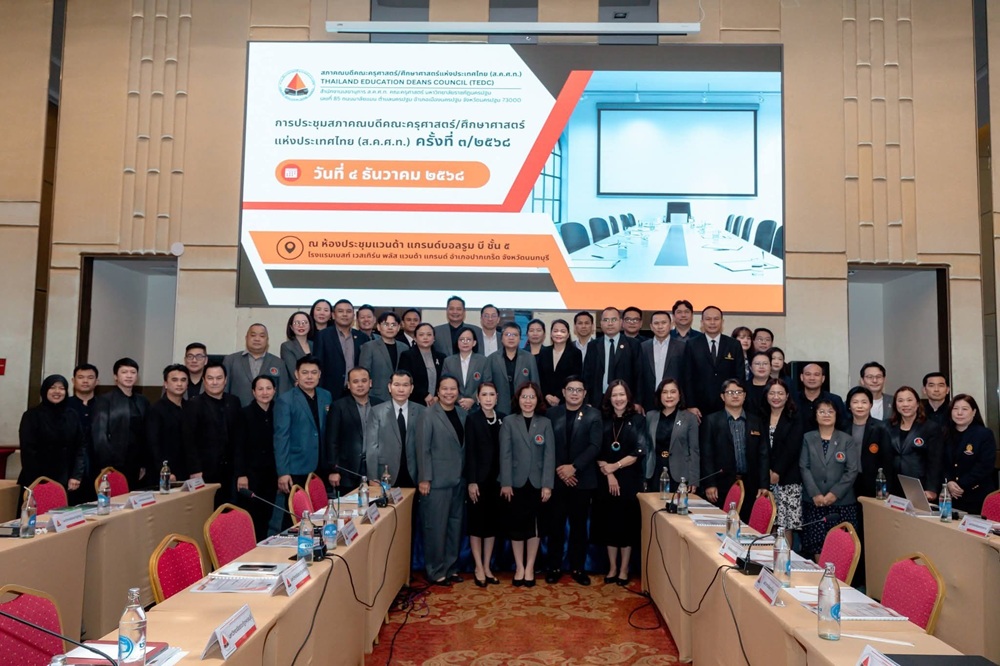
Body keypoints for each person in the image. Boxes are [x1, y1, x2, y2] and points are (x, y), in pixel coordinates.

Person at [543, 376, 601, 585]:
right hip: (557, 479)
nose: (574, 393)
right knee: (555, 525)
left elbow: (595, 446)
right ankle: (554, 567)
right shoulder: (551, 414)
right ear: (563, 392)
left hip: (582, 480)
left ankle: (578, 568)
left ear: (585, 393)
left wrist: (574, 468)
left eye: (579, 390)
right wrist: (561, 470)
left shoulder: (594, 415)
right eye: (570, 389)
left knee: (579, 527)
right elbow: (548, 445)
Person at [592, 380, 648, 586]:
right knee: (609, 524)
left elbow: (639, 451)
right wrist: (609, 473)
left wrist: (615, 467)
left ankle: (624, 569)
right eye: (614, 395)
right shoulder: (601, 418)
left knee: (627, 526)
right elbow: (595, 449)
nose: (618, 399)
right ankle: (612, 567)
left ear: (628, 397)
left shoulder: (638, 420)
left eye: (622, 395)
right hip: (605, 478)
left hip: (629, 478)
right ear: (609, 398)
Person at [499, 381, 555, 587]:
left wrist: (547, 484)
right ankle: (519, 567)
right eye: (524, 397)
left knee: (534, 528)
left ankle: (530, 567)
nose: (528, 401)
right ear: (518, 399)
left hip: (538, 483)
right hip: (515, 482)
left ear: (537, 400)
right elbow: (504, 454)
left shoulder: (545, 423)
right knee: (516, 526)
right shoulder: (508, 421)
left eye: (532, 397)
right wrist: (505, 482)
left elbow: (550, 456)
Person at [416, 375, 468, 585]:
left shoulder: (462, 414)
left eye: (453, 389)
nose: (449, 392)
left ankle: (450, 567)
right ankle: (436, 571)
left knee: (454, 527)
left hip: (458, 480)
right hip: (436, 482)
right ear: (438, 391)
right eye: (444, 389)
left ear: (458, 392)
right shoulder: (428, 414)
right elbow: (423, 449)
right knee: (436, 529)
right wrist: (424, 478)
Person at [274, 356, 333, 527]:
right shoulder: (286, 400)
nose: (309, 377)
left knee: (320, 513)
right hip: (296, 466)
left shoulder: (326, 395)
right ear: (296, 374)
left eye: (314, 373)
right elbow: (281, 437)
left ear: (319, 374)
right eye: (305, 372)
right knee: (295, 517)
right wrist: (283, 472)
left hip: (320, 465)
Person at [699, 378, 769, 523]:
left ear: (745, 395)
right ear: (722, 396)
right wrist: (710, 483)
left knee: (747, 525)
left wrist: (763, 484)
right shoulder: (711, 421)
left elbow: (763, 455)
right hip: (721, 485)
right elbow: (707, 455)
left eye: (739, 392)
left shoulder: (756, 421)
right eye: (730, 392)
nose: (735, 395)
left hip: (750, 484)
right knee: (720, 525)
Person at [799, 398, 860, 559]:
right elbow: (804, 467)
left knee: (842, 546)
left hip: (842, 502)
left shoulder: (846, 439)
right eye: (821, 411)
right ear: (815, 415)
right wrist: (815, 494)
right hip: (815, 501)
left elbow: (852, 470)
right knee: (816, 543)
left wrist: (834, 494)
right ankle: (820, 573)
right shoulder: (808, 438)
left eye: (830, 411)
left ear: (836, 415)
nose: (826, 415)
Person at [183, 362, 244, 506]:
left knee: (228, 509)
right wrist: (195, 469)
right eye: (210, 378)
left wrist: (241, 470)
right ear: (204, 380)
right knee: (205, 508)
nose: (215, 382)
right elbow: (188, 440)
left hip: (230, 471)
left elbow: (239, 438)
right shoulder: (194, 404)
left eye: (219, 378)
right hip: (204, 471)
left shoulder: (234, 401)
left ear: (225, 380)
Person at [464, 382, 505, 586]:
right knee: (477, 525)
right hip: (478, 481)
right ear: (478, 398)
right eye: (484, 395)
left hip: (497, 481)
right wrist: (471, 481)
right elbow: (470, 452)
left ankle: (487, 566)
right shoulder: (472, 419)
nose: (488, 398)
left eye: (491, 394)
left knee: (491, 525)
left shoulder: (504, 418)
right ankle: (478, 566)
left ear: (497, 397)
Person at [17, 375, 85, 495]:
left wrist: (76, 475)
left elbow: (80, 446)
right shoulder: (32, 416)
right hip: (37, 479)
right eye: (52, 387)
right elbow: (28, 452)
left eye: (62, 388)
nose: (57, 391)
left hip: (68, 480)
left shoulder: (72, 415)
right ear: (44, 390)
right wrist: (38, 482)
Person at [90, 357, 150, 488]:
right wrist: (105, 465)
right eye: (124, 372)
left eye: (133, 372)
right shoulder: (104, 401)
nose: (129, 376)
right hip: (114, 463)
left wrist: (144, 463)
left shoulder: (142, 401)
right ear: (115, 376)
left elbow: (146, 434)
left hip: (136, 462)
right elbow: (100, 435)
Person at [682, 306, 745, 420]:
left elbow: (740, 375)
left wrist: (736, 400)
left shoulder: (733, 344)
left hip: (727, 404)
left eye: (716, 319)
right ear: (702, 322)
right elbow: (687, 377)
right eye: (708, 319)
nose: (712, 322)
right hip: (699, 406)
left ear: (722, 321)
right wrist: (690, 405)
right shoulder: (692, 344)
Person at [365, 370, 425, 488]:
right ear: (389, 387)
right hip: (386, 473)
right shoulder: (377, 411)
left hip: (414, 473)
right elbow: (372, 447)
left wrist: (425, 477)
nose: (401, 389)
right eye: (396, 385)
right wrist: (372, 477)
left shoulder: (422, 411)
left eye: (405, 385)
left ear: (411, 388)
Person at [326, 367, 381, 494]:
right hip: (347, 470)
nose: (360, 385)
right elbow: (331, 440)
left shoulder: (380, 404)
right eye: (355, 381)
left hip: (375, 469)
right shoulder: (338, 406)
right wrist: (334, 470)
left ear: (370, 383)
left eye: (364, 381)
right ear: (349, 385)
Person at [237, 376, 279, 540]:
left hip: (272, 473)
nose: (265, 392)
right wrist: (241, 474)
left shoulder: (279, 411)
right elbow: (239, 447)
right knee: (253, 516)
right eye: (260, 389)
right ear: (253, 392)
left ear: (274, 391)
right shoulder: (244, 413)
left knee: (268, 514)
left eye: (268, 388)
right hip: (251, 474)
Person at [943, 394, 997, 515]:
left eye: (965, 409)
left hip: (977, 495)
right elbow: (940, 462)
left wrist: (960, 484)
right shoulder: (945, 433)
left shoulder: (984, 434)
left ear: (974, 412)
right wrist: (949, 482)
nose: (959, 413)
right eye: (955, 409)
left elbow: (985, 466)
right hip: (950, 495)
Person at [888, 386, 943, 501]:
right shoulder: (888, 426)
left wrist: (931, 488)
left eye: (909, 400)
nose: (905, 404)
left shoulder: (930, 427)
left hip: (920, 485)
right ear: (895, 405)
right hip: (893, 485)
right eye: (900, 401)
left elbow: (935, 461)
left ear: (917, 403)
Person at [644, 378, 699, 494]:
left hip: (680, 474)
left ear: (679, 395)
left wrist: (694, 479)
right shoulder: (650, 416)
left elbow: (694, 450)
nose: (669, 396)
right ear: (659, 395)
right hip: (654, 472)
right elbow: (648, 447)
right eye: (665, 392)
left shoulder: (689, 418)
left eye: (673, 392)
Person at [582, 307, 642, 409]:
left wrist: (637, 402)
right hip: (597, 400)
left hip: (624, 400)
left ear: (621, 322)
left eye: (614, 320)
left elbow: (639, 375)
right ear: (601, 323)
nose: (610, 323)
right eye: (606, 320)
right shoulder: (593, 345)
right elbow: (587, 375)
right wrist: (586, 401)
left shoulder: (633, 344)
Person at [765, 378, 804, 534]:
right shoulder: (760, 416)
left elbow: (792, 447)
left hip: (789, 478)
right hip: (765, 478)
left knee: (785, 525)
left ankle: (785, 551)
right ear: (766, 395)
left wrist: (777, 472)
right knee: (767, 523)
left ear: (787, 396)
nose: (776, 397)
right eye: (772, 393)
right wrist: (767, 470)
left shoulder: (795, 417)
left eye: (780, 393)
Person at [312, 299, 370, 400]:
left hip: (357, 391)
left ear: (353, 316)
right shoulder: (322, 336)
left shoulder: (362, 337)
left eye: (348, 311)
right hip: (330, 391)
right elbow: (318, 365)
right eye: (340, 311)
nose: (345, 314)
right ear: (333, 315)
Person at [846, 386, 894, 502]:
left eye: (864, 402)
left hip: (872, 481)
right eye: (855, 402)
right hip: (847, 481)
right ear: (849, 405)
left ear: (870, 405)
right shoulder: (842, 427)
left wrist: (885, 487)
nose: (860, 406)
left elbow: (887, 460)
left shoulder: (881, 428)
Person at [223, 323, 290, 406]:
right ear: (246, 338)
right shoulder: (230, 360)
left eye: (262, 336)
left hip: (269, 413)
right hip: (237, 412)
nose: (257, 339)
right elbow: (224, 391)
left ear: (267, 340)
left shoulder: (278, 363)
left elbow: (283, 394)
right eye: (253, 335)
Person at [146, 364, 189, 482]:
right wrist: (164, 471)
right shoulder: (156, 409)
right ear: (165, 384)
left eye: (183, 380)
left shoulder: (190, 407)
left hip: (186, 472)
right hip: (164, 472)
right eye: (174, 380)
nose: (179, 384)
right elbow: (153, 445)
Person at [487, 321, 540, 414]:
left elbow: (535, 384)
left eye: (515, 335)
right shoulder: (492, 358)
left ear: (520, 339)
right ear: (501, 338)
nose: (511, 338)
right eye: (507, 334)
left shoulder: (529, 358)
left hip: (524, 407)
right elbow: (488, 385)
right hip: (499, 407)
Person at [638, 310, 686, 412]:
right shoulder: (643, 347)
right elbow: (638, 377)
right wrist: (638, 401)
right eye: (656, 323)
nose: (660, 327)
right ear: (651, 327)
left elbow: (686, 377)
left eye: (664, 323)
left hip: (674, 401)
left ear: (671, 325)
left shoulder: (682, 347)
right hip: (648, 402)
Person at [358, 311, 407, 403]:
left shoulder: (404, 347)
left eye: (393, 325)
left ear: (398, 327)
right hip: (376, 397)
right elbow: (363, 373)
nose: (390, 327)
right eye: (386, 324)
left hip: (400, 396)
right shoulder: (369, 346)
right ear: (378, 327)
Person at [66, 363, 98, 502]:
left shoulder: (104, 405)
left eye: (90, 378)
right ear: (73, 381)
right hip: (71, 466)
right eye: (81, 377)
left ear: (97, 381)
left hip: (97, 464)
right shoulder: (65, 405)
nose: (85, 381)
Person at [442, 326, 491, 411]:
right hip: (454, 405)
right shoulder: (448, 361)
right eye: (461, 340)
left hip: (477, 407)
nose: (465, 342)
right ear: (457, 342)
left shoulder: (483, 361)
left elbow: (486, 382)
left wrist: (473, 399)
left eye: (468, 340)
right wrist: (459, 400)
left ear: (474, 343)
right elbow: (444, 383)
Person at [398, 322, 446, 407]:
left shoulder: (441, 357)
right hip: (414, 402)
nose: (425, 337)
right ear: (415, 338)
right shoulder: (407, 356)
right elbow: (406, 379)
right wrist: (425, 394)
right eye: (421, 335)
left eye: (429, 334)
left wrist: (437, 396)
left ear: (434, 338)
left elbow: (444, 379)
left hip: (437, 403)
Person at [537, 319, 583, 407]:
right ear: (551, 334)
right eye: (555, 331)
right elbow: (540, 376)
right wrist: (546, 395)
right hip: (545, 400)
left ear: (568, 335)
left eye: (562, 331)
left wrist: (559, 396)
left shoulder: (575, 353)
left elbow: (575, 378)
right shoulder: (544, 352)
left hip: (566, 400)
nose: (558, 334)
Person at [793, 363, 848, 431]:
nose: (812, 378)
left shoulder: (835, 400)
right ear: (801, 377)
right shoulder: (792, 399)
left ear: (823, 378)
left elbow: (843, 426)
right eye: (808, 374)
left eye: (816, 374)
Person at [280, 312, 313, 380]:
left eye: (305, 322)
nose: (301, 325)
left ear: (310, 326)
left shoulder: (314, 345)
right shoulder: (286, 346)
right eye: (297, 323)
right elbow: (293, 372)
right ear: (291, 327)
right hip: (296, 384)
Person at [744, 351, 773, 418]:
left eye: (765, 364)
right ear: (750, 367)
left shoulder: (778, 386)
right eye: (757, 364)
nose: (761, 367)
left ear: (771, 367)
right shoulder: (743, 387)